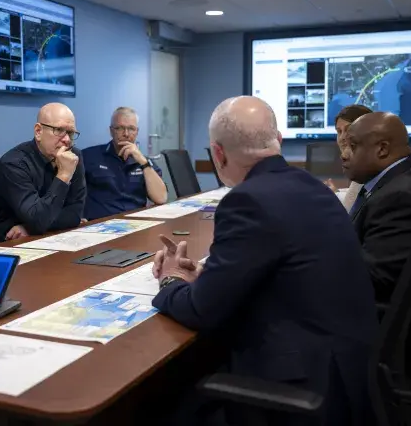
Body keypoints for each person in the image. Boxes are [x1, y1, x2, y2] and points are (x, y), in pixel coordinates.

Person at [152, 96, 377, 425]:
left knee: (160, 400)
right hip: (351, 376)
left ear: (218, 153)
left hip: (302, 390)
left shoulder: (247, 200)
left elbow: (201, 310)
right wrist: (208, 277)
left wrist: (171, 279)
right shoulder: (313, 188)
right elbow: (279, 271)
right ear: (279, 142)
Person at [341, 112, 411, 303]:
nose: (344, 155)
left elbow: (372, 280)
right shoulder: (405, 179)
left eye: (352, 146)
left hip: (372, 320)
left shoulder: (399, 197)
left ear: (382, 149)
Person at [0, 103, 86, 246]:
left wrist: (29, 228)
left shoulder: (74, 156)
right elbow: (38, 220)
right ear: (38, 131)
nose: (67, 140)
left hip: (40, 238)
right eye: (59, 130)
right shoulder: (14, 164)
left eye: (70, 133)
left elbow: (74, 214)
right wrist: (64, 175)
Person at [82, 107, 167, 220]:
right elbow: (70, 193)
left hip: (135, 224)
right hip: (101, 225)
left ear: (137, 132)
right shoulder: (89, 156)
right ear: (111, 131)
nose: (126, 134)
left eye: (131, 129)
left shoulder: (145, 162)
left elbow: (161, 198)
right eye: (120, 128)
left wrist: (143, 163)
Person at [325, 104, 372, 210]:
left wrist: (333, 197)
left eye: (349, 130)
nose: (342, 137)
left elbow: (348, 214)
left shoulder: (367, 168)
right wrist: (335, 194)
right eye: (339, 131)